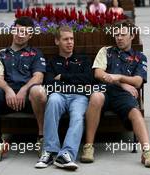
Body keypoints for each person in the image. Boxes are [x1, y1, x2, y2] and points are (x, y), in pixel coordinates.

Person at [80, 20, 150, 168]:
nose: (119, 37)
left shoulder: (140, 57)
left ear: (132, 36)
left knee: (135, 112)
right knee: (96, 96)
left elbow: (137, 81)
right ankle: (88, 147)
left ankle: (147, 152)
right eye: (117, 34)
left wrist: (120, 77)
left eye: (123, 34)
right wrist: (120, 82)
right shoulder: (106, 51)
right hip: (104, 89)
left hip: (124, 95)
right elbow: (98, 73)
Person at [0, 17, 47, 163]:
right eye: (18, 30)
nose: (20, 34)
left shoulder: (35, 53)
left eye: (25, 32)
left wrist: (24, 90)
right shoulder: (0, 54)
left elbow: (38, 77)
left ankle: (41, 138)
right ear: (13, 31)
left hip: (29, 99)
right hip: (6, 96)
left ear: (30, 35)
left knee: (38, 91)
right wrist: (8, 90)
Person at [35, 26, 93, 170]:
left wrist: (63, 77)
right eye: (66, 39)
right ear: (57, 41)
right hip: (58, 95)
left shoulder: (83, 59)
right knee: (53, 100)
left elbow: (89, 79)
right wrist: (75, 81)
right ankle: (49, 151)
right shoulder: (52, 62)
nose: (70, 42)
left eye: (72, 39)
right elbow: (49, 83)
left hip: (79, 96)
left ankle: (65, 155)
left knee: (78, 116)